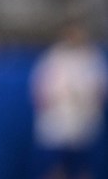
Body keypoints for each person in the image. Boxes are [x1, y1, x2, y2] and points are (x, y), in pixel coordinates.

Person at [30, 22, 108, 179]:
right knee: (54, 163)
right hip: (57, 117)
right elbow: (40, 86)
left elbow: (100, 87)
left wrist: (85, 98)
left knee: (82, 163)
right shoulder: (53, 57)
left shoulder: (93, 58)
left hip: (84, 118)